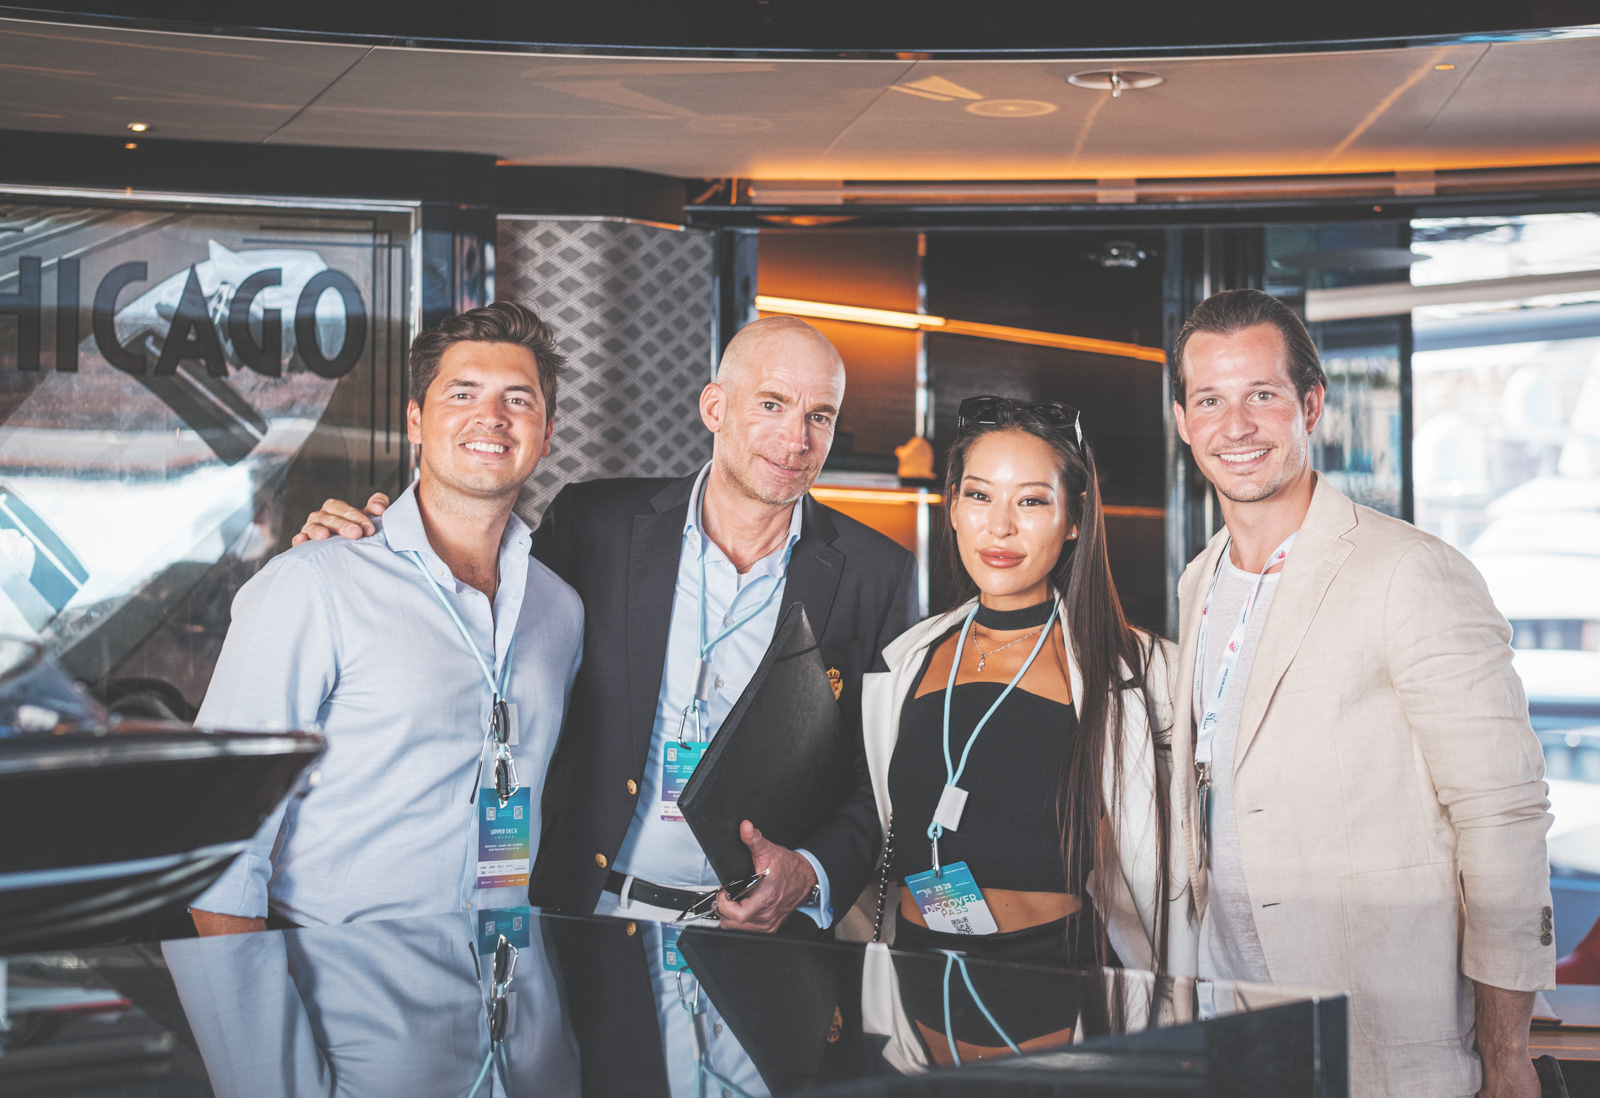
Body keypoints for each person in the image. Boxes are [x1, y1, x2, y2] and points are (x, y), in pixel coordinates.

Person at [297, 315, 917, 1096]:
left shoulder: (875, 572)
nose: (796, 438)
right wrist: (367, 546)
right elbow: (476, 605)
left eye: (819, 415)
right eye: (771, 405)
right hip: (582, 932)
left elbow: (881, 780)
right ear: (715, 407)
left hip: (762, 959)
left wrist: (814, 872)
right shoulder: (594, 523)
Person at [1169, 288, 1554, 1098]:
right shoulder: (1199, 580)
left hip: (1382, 1041)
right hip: (1229, 1026)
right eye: (1210, 401)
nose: (1235, 427)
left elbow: (1502, 817)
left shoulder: (1411, 571)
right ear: (1182, 421)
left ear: (1311, 404)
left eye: (1262, 395)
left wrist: (1506, 1051)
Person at [189, 302, 583, 934]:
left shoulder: (560, 609)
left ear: (547, 431)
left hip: (505, 971)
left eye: (518, 399)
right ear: (415, 420)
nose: (492, 416)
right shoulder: (312, 582)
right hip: (341, 981)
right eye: (462, 393)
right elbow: (218, 840)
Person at [843, 396, 1195, 991]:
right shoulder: (905, 660)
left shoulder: (1136, 671)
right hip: (915, 979)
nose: (1000, 526)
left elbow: (1186, 859)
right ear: (954, 507)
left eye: (1031, 501)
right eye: (979, 496)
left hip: (1055, 982)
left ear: (1074, 518)